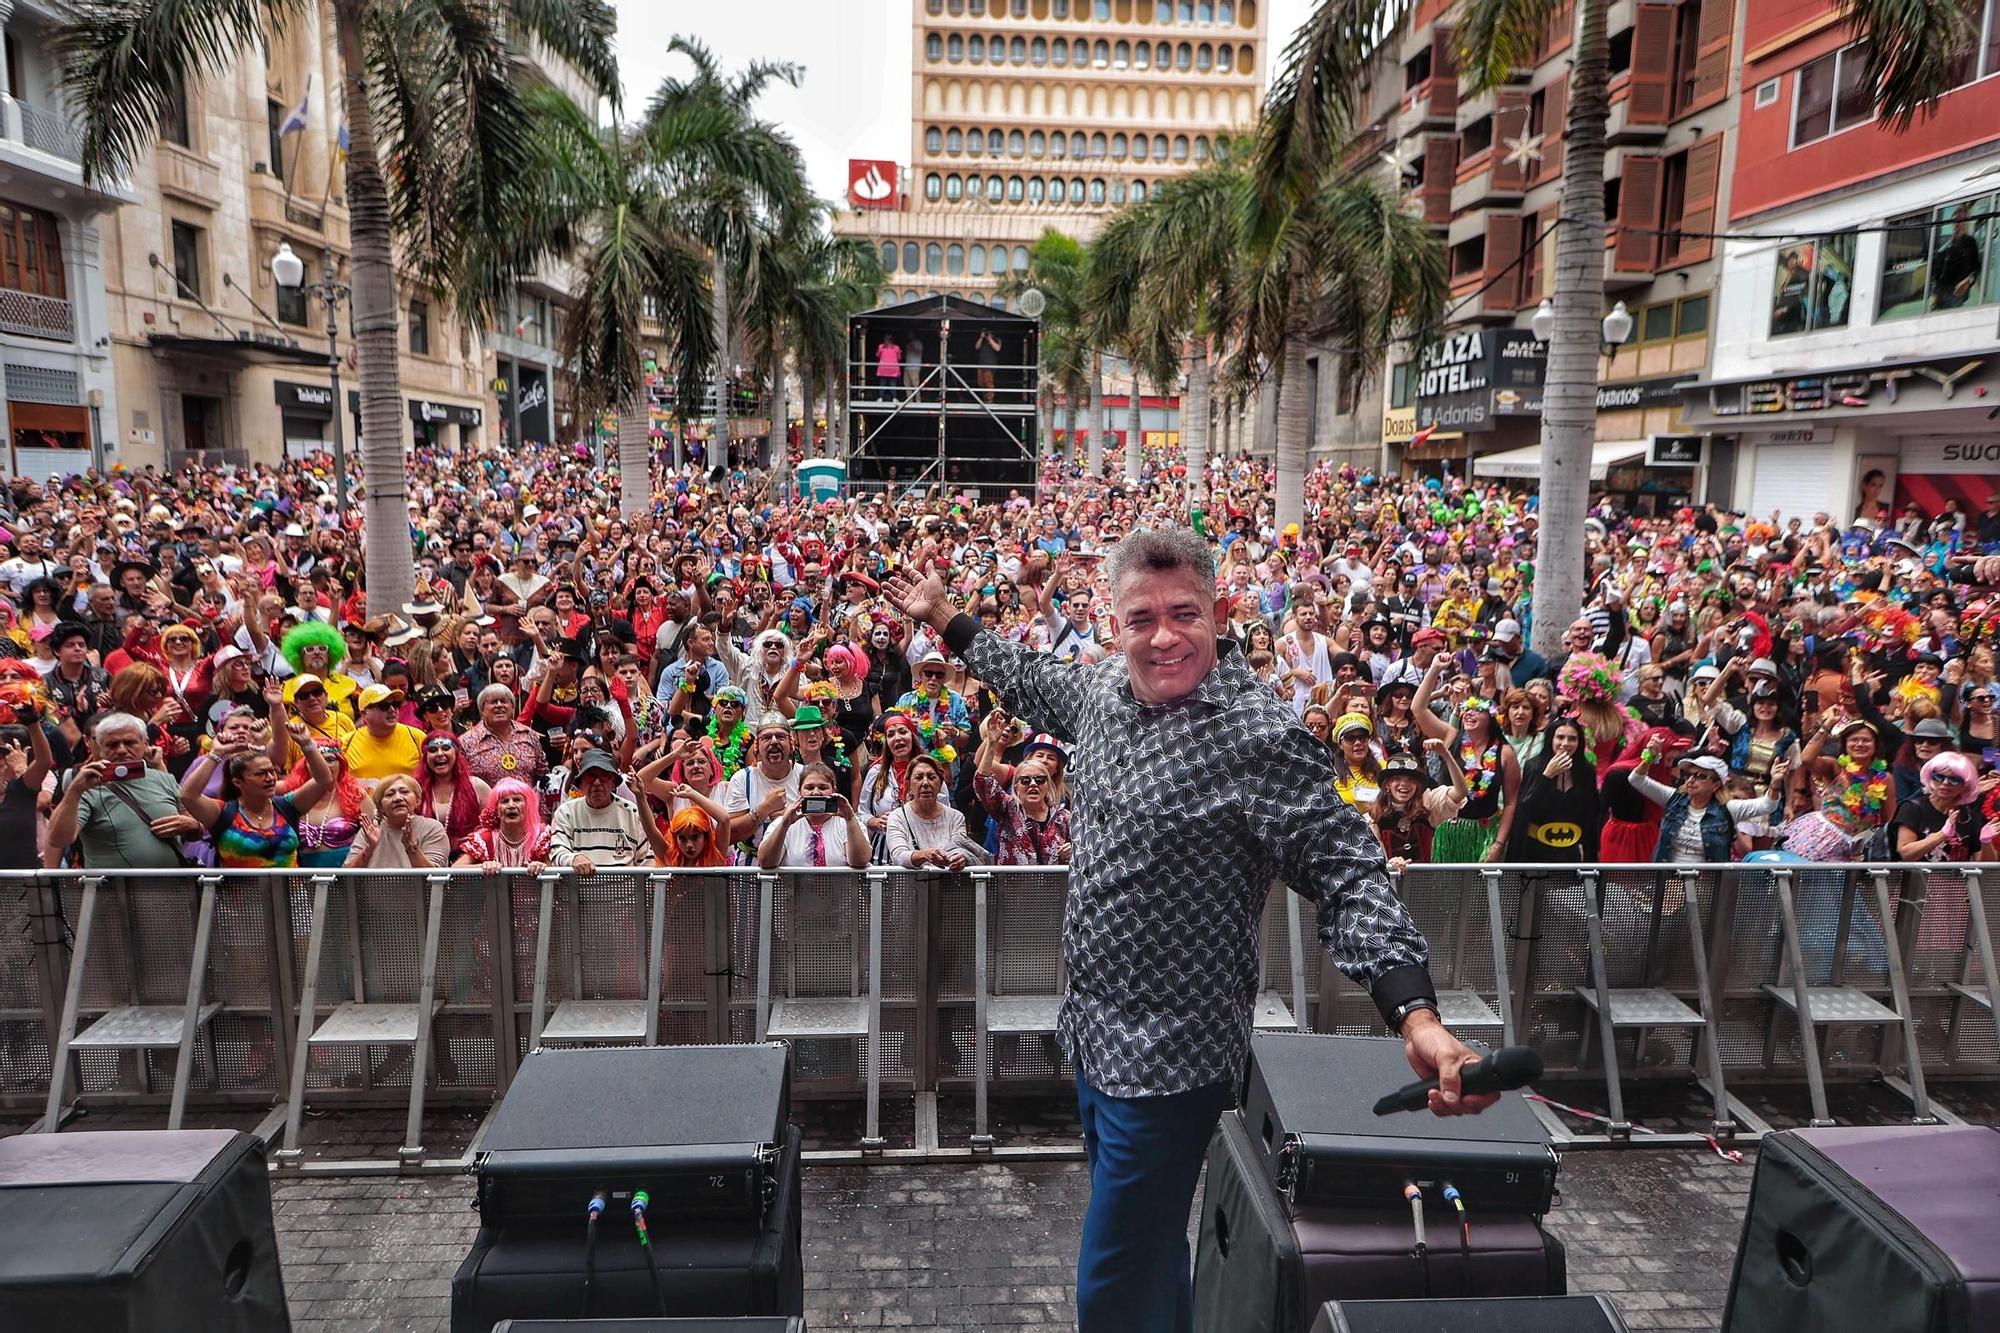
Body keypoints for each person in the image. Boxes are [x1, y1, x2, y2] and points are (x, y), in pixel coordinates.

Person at [883, 530, 1493, 1333]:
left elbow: (1347, 866)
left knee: (1112, 1286)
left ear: (1220, 612)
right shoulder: (1104, 691)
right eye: (1142, 618)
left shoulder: (1257, 736)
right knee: (1154, 1251)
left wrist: (1414, 1011)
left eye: (1183, 614)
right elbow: (1030, 680)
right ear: (1114, 622)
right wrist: (949, 619)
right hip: (1093, 1033)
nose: (1163, 636)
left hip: (1173, 1061)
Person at [45, 712, 205, 869]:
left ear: (145, 744)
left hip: (173, 890)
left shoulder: (164, 778)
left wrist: (193, 826)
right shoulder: (86, 786)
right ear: (100, 748)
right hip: (115, 892)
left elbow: (195, 829)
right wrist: (74, 791)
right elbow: (60, 840)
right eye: (112, 745)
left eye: (129, 743)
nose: (121, 750)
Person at [546, 748, 648, 875]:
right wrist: (574, 858)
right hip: (578, 892)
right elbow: (557, 851)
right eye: (590, 776)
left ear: (613, 782)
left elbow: (647, 860)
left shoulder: (631, 812)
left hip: (625, 892)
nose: (597, 782)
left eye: (604, 776)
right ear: (581, 783)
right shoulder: (566, 812)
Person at [884, 752, 990, 870]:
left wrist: (960, 859)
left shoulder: (955, 817)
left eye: (931, 777)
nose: (925, 783)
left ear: (940, 784)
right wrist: (924, 855)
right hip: (910, 885)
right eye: (918, 778)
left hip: (948, 885)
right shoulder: (897, 817)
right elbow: (898, 855)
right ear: (909, 785)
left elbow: (959, 849)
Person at [756, 762, 869, 869]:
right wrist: (784, 824)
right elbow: (766, 862)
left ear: (834, 790)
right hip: (795, 889)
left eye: (823, 788)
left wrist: (850, 818)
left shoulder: (848, 823)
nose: (816, 792)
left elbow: (860, 861)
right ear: (799, 792)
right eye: (809, 788)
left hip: (840, 889)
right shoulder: (783, 823)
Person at [342, 683, 427, 784]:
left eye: (395, 705)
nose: (392, 710)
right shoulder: (346, 743)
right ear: (364, 714)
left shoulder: (417, 737)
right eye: (384, 706)